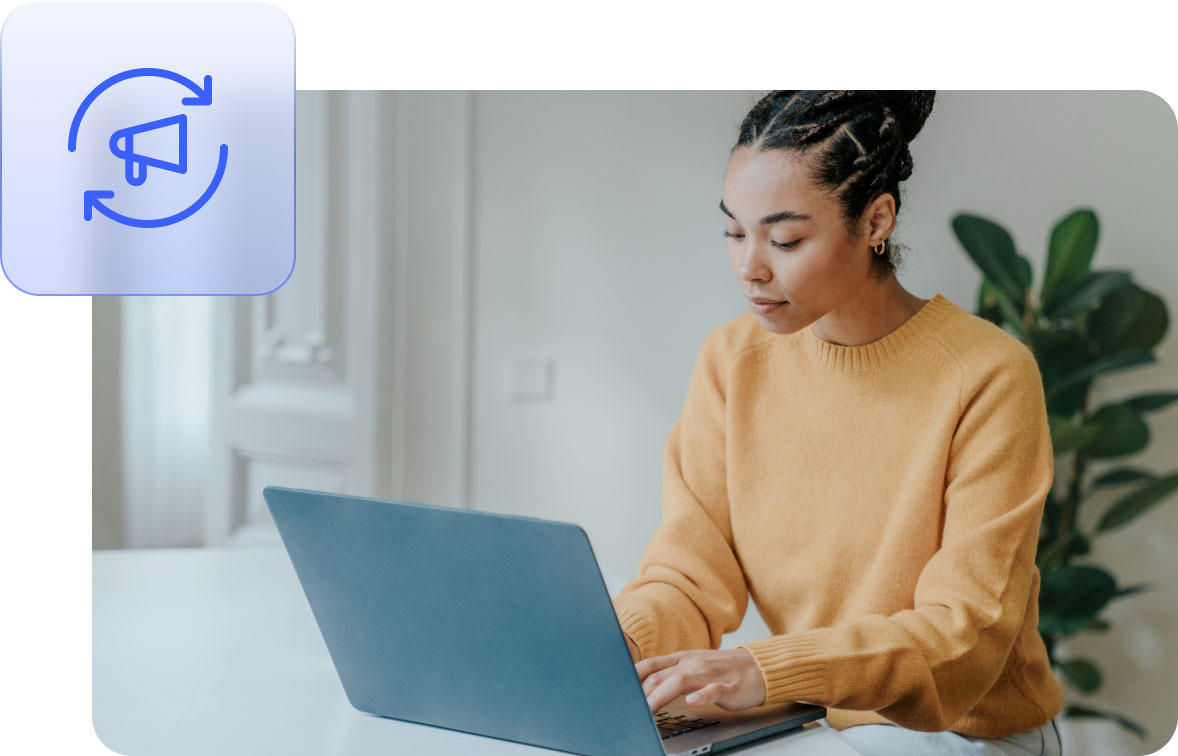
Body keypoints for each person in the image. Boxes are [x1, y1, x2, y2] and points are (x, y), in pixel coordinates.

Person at [610, 91, 1065, 756]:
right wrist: (609, 647)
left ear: (876, 220)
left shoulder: (988, 374)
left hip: (962, 731)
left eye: (786, 239)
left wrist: (765, 668)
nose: (749, 267)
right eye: (735, 232)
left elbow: (963, 636)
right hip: (814, 720)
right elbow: (688, 577)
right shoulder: (732, 360)